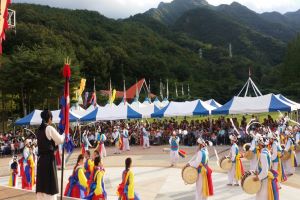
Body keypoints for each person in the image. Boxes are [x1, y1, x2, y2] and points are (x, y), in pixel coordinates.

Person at [36, 110, 65, 200]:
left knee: (42, 184)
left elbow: (48, 144)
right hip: (48, 160)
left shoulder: (39, 130)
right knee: (49, 184)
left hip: (41, 160)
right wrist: (65, 133)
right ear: (49, 118)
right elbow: (60, 140)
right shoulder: (49, 128)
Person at [253, 135, 279, 200]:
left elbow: (265, 171)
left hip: (264, 179)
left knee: (261, 197)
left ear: (260, 144)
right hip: (265, 178)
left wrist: (258, 177)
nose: (257, 144)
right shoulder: (267, 152)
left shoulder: (263, 154)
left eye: (257, 143)